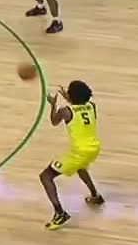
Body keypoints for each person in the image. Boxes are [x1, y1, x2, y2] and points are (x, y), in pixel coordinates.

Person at [42, 80, 105, 230]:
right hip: (94, 148)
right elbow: (80, 109)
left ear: (71, 95)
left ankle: (60, 213)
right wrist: (70, 99)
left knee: (46, 176)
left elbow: (54, 122)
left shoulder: (65, 111)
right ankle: (95, 196)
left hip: (79, 151)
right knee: (81, 167)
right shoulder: (92, 106)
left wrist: (53, 105)